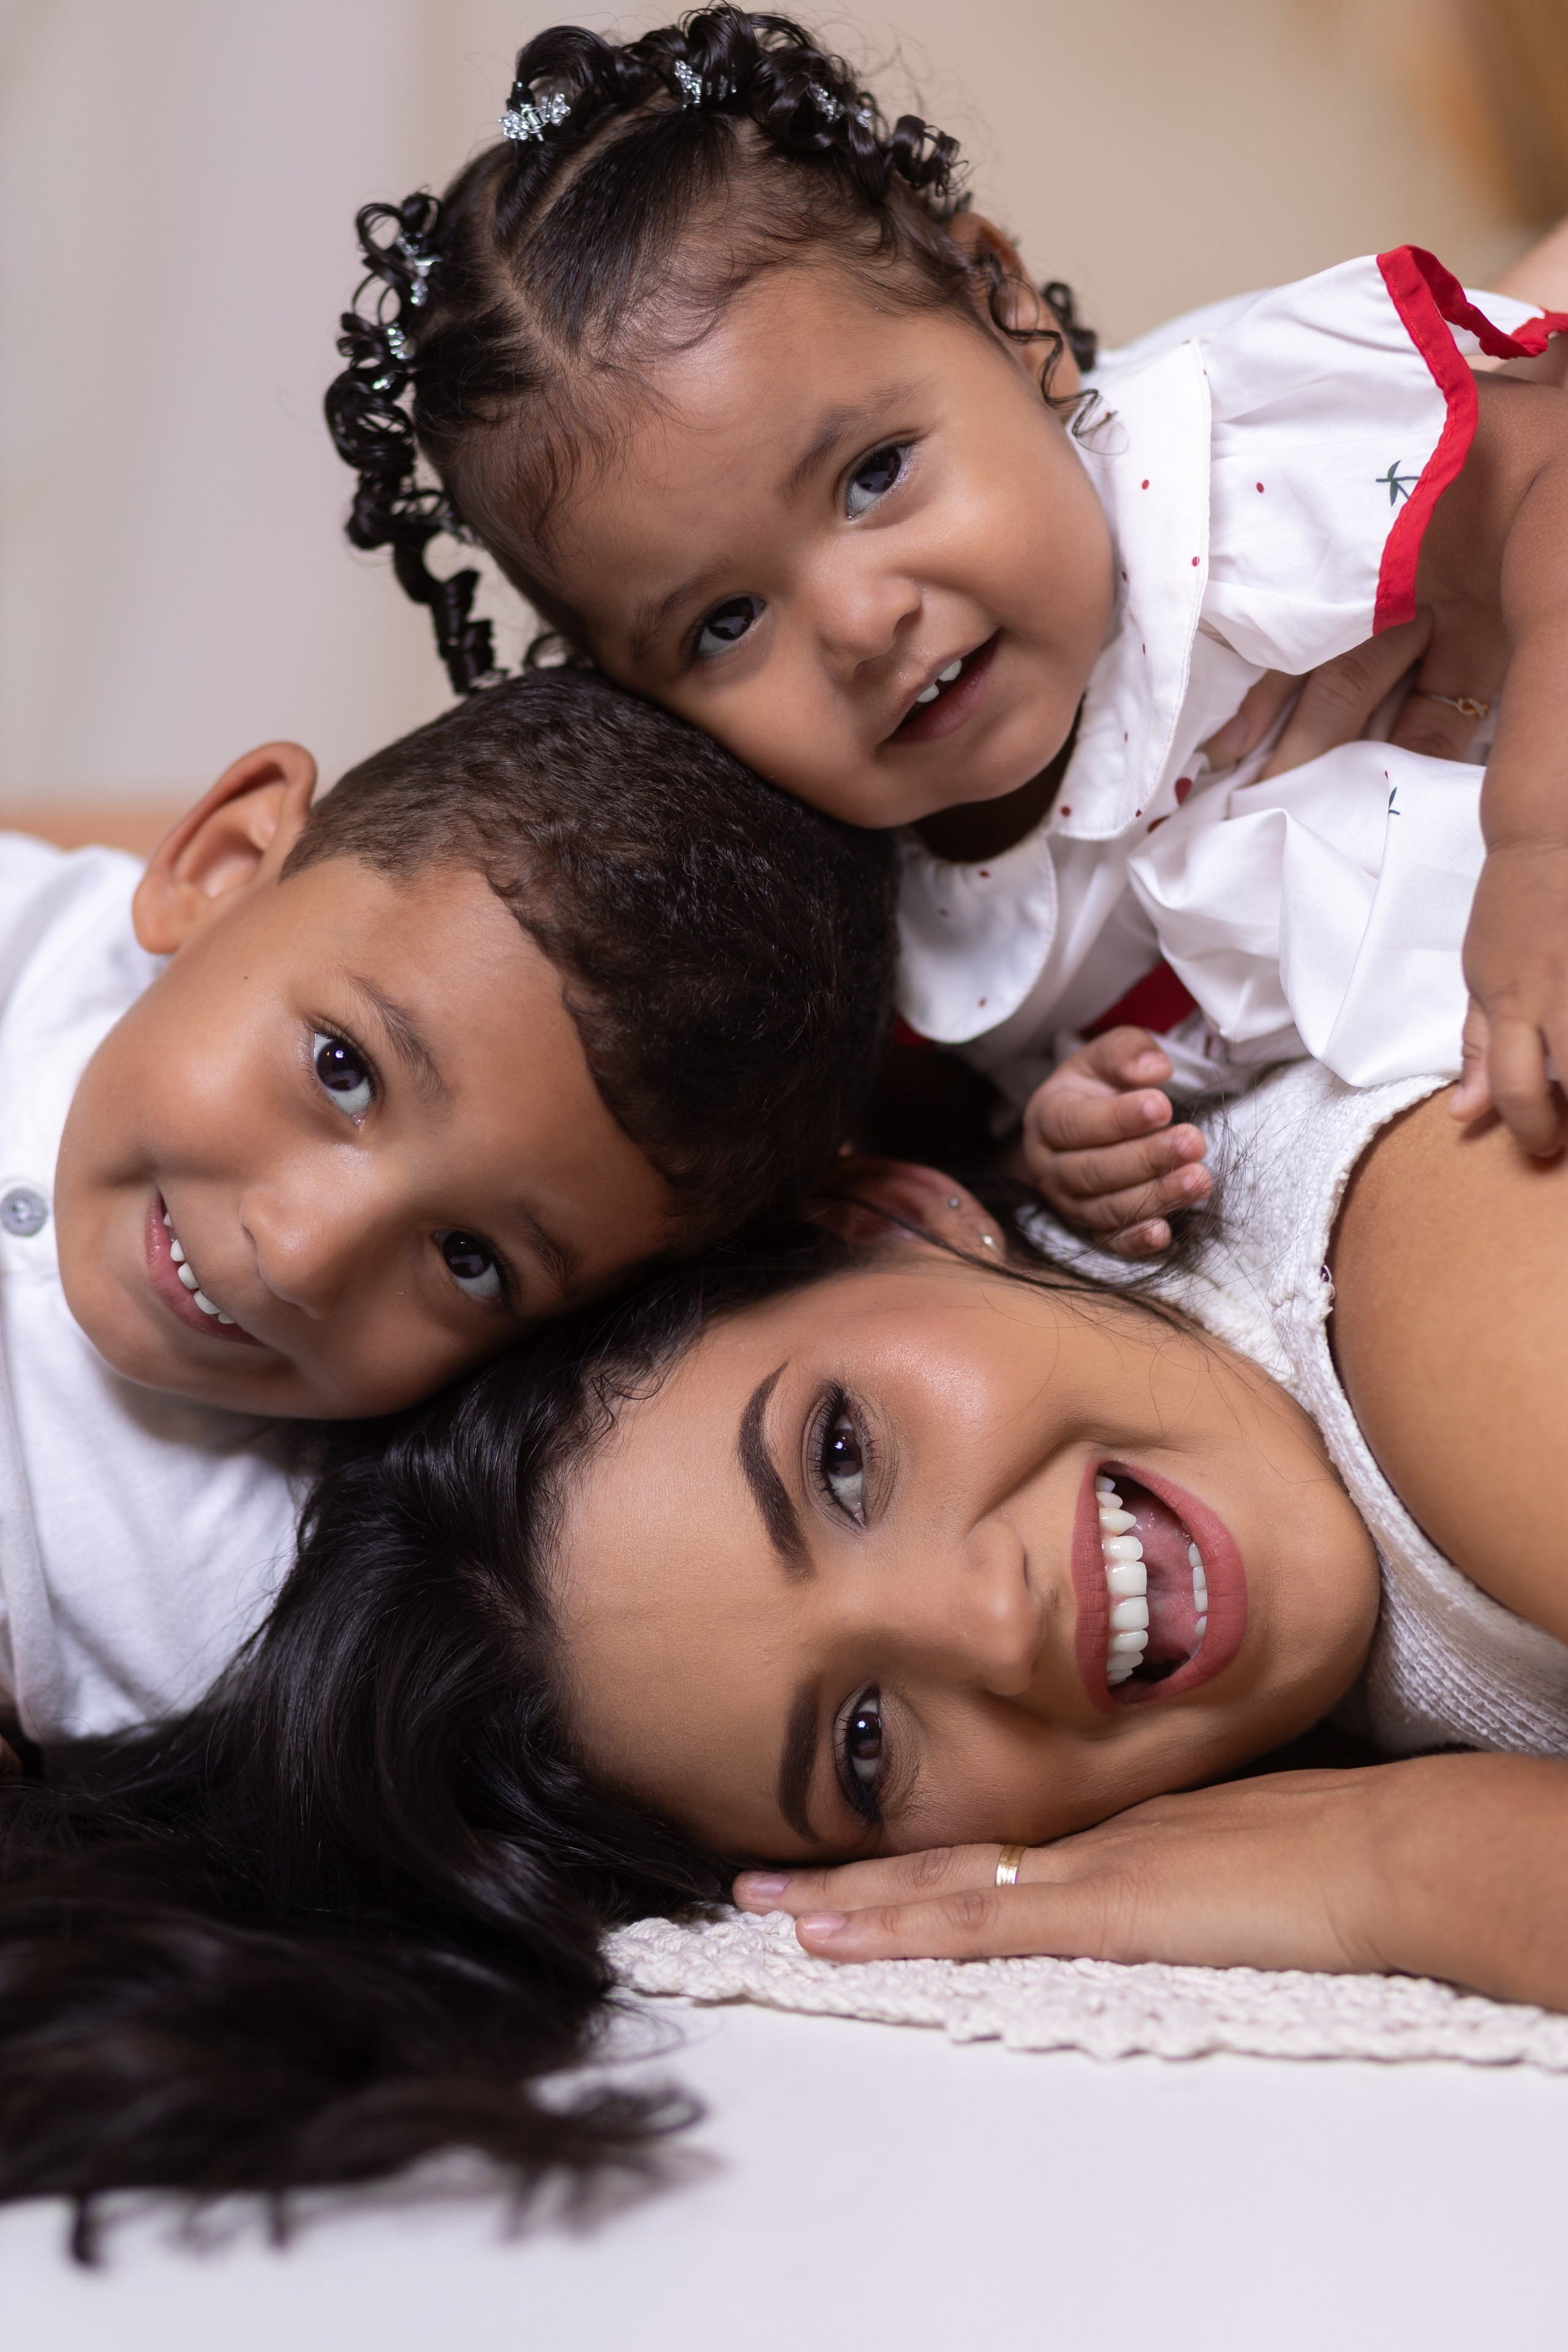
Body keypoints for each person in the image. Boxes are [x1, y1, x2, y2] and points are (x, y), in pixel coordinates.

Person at [6, 1050, 1567, 2237]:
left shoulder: (1442, 1296)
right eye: (863, 1744)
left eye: (839, 1457)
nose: (989, 1621)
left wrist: (1399, 1865)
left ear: (888, 1219)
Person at [326, 7, 1568, 1263]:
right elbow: (963, 1119)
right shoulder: (882, 909)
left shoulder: (1220, 478)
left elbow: (1546, 474)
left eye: (871, 475)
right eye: (725, 622)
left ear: (1003, 306)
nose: (862, 626)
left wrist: (1534, 842)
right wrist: (1053, 1136)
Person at [2, 663, 894, 1743]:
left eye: (470, 1259)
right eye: (344, 1070)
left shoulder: (227, 1626)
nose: (302, 1258)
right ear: (227, 863)